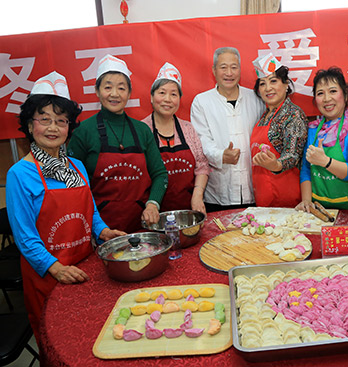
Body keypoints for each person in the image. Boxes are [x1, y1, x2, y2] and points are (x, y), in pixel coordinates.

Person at [6, 72, 125, 339]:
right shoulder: (19, 174)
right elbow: (25, 238)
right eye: (44, 119)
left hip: (85, 267)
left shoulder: (77, 166)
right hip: (48, 275)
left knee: (91, 334)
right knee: (59, 340)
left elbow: (91, 213)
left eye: (60, 121)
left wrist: (104, 232)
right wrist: (57, 269)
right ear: (28, 125)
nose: (52, 128)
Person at [68, 55, 167, 233]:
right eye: (108, 87)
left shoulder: (142, 130)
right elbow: (74, 184)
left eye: (121, 88)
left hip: (143, 225)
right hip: (101, 228)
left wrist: (153, 204)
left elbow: (160, 174)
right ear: (97, 91)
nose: (114, 94)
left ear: (129, 93)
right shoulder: (83, 131)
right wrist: (97, 227)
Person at [191, 47, 264, 213]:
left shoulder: (256, 98)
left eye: (234, 67)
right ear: (214, 71)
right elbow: (201, 139)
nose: (229, 73)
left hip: (253, 191)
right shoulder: (202, 101)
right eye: (223, 67)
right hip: (217, 194)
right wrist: (220, 155)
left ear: (240, 69)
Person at [297, 67, 348, 212]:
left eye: (333, 91)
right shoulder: (313, 130)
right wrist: (306, 201)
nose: (327, 98)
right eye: (320, 93)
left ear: (345, 95)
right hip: (319, 212)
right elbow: (305, 169)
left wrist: (325, 162)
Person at [142, 62, 209, 214]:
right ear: (152, 97)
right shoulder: (142, 130)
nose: (167, 99)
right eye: (162, 93)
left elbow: (202, 165)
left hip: (189, 210)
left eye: (173, 94)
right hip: (152, 212)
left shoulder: (188, 128)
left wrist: (197, 196)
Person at [250, 54, 308, 207]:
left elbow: (293, 155)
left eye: (273, 81)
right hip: (263, 196)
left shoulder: (293, 114)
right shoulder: (263, 116)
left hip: (286, 198)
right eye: (262, 84)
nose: (268, 88)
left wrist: (275, 165)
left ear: (286, 84)